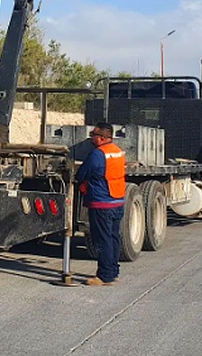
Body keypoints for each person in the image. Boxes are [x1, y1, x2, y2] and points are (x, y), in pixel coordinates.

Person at [75, 122, 126, 286]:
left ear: (102, 137)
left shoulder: (98, 154)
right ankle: (113, 271)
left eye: (93, 135)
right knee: (112, 237)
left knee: (102, 240)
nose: (91, 138)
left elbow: (82, 174)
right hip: (117, 200)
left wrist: (79, 180)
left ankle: (104, 276)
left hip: (101, 202)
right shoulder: (117, 151)